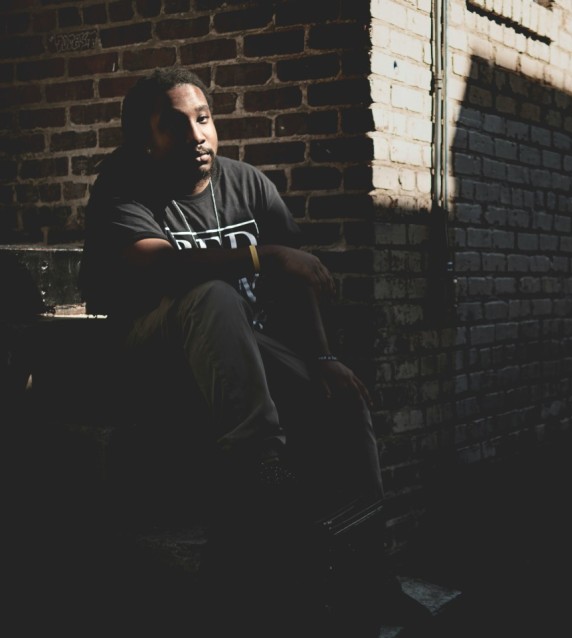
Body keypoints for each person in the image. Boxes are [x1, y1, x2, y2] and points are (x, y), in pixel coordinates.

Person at [79, 68, 432, 635]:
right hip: (159, 351)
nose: (197, 135)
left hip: (246, 351)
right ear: (147, 139)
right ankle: (259, 463)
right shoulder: (124, 185)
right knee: (214, 296)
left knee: (345, 400)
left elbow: (296, 281)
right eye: (175, 125)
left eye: (203, 119)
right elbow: (155, 262)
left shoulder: (248, 185)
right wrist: (259, 256)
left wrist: (322, 359)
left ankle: (370, 574)